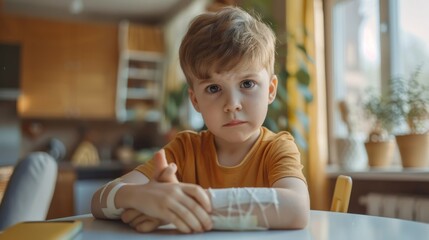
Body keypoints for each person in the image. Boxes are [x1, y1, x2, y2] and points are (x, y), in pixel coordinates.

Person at [91, 6, 309, 233]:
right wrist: (145, 198)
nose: (232, 104)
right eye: (214, 88)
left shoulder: (277, 148)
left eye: (247, 83)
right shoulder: (184, 150)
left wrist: (179, 207)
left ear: (271, 90)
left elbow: (296, 208)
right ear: (195, 100)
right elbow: (99, 200)